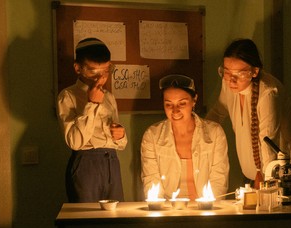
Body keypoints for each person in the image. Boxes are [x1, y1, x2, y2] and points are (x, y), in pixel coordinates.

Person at [206, 38, 291, 207]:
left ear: (254, 71)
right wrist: (196, 134)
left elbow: (268, 142)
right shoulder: (229, 83)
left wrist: (266, 185)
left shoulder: (268, 93)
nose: (231, 80)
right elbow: (218, 112)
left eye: (239, 74)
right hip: (254, 173)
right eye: (226, 72)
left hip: (283, 176)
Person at [57, 37, 127, 202]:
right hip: (86, 163)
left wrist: (120, 135)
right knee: (87, 218)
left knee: (116, 217)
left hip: (112, 161)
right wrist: (92, 104)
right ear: (78, 68)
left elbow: (121, 143)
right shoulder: (68, 96)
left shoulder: (109, 97)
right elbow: (75, 142)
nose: (100, 78)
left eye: (106, 70)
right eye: (93, 71)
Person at [141, 74, 229, 200]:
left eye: (182, 103)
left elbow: (219, 180)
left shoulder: (214, 133)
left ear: (194, 100)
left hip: (205, 210)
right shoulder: (152, 136)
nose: (175, 110)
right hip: (168, 211)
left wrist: (208, 210)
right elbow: (151, 181)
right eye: (169, 104)